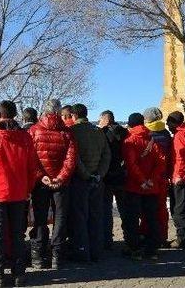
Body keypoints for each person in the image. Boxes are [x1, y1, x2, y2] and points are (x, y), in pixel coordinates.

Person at [0, 100, 37, 288]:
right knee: (18, 233)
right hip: (19, 192)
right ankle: (19, 274)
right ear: (15, 114)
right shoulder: (25, 137)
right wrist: (28, 189)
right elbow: (32, 167)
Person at [28, 99, 76, 270]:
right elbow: (71, 159)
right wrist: (61, 177)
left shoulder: (34, 130)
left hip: (41, 183)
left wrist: (41, 176)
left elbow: (31, 158)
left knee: (40, 218)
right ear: (58, 112)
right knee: (60, 218)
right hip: (61, 183)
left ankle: (39, 256)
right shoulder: (67, 132)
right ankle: (57, 256)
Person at [68, 103, 110, 262]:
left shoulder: (72, 132)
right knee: (96, 216)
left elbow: (74, 157)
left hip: (80, 180)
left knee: (80, 217)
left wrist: (85, 174)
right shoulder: (98, 131)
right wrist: (99, 174)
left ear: (73, 116)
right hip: (97, 181)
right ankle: (96, 251)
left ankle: (81, 251)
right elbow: (107, 155)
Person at [121, 113, 166, 260]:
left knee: (132, 219)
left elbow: (131, 164)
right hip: (152, 187)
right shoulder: (152, 139)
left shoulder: (130, 140)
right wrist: (151, 180)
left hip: (134, 186)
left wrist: (142, 181)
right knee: (152, 218)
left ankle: (134, 248)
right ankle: (152, 249)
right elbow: (161, 162)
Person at [98, 110, 128, 250]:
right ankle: (129, 237)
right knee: (125, 209)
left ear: (104, 120)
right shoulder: (124, 132)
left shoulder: (102, 134)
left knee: (106, 209)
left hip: (107, 176)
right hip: (121, 175)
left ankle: (107, 240)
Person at [166, 111, 185, 250]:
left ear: (174, 122)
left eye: (169, 122)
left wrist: (178, 175)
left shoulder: (180, 135)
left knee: (179, 210)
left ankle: (183, 240)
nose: (167, 125)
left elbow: (180, 157)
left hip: (181, 178)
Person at [143, 107, 172, 245]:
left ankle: (147, 234)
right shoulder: (166, 133)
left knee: (147, 207)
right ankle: (162, 235)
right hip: (163, 175)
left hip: (149, 175)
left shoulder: (147, 133)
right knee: (161, 207)